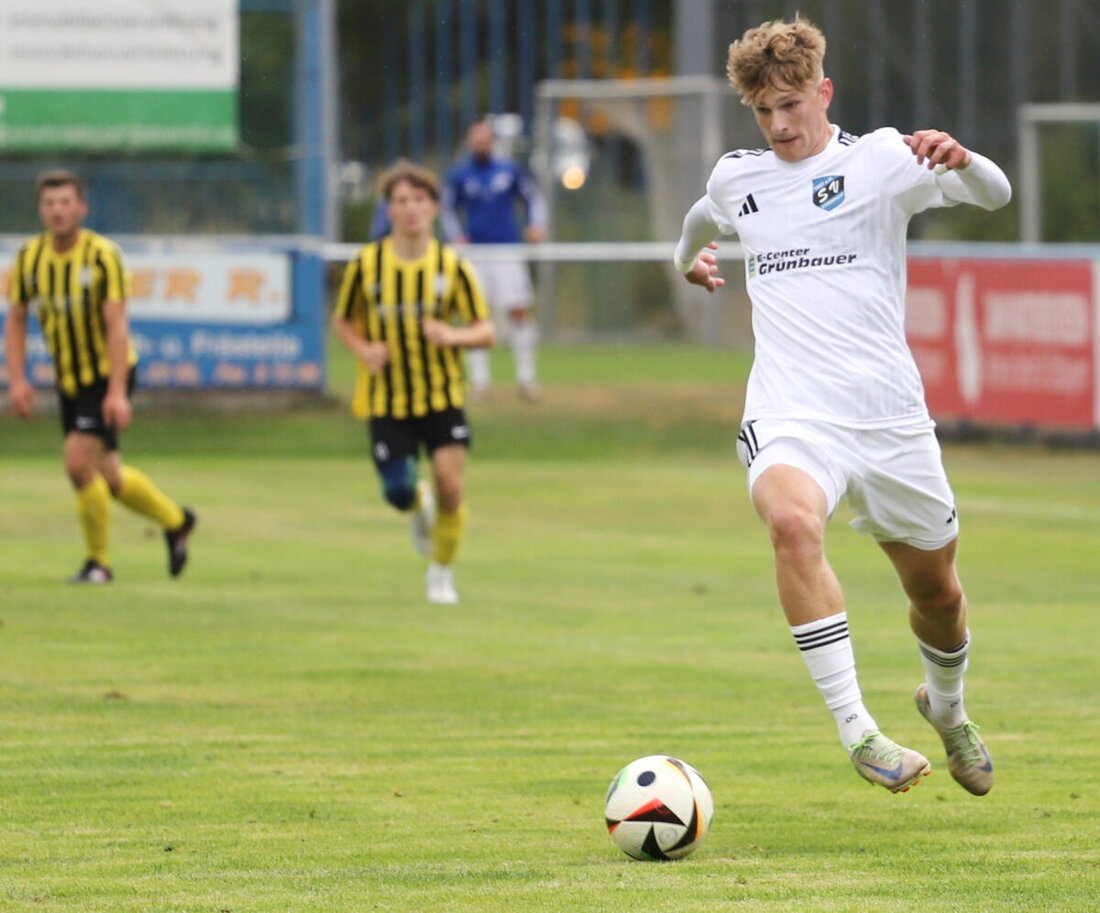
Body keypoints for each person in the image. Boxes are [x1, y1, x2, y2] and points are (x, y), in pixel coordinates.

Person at [673, 18, 1010, 795]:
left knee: (939, 594)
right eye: (763, 111)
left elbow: (997, 195)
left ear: (823, 91)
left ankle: (947, 707)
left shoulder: (884, 159)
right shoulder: (739, 176)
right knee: (792, 524)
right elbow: (699, 219)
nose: (780, 124)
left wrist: (965, 158)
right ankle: (858, 730)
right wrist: (688, 261)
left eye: (791, 103)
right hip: (793, 411)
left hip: (888, 416)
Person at [5, 170, 196, 583]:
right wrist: (17, 379)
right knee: (108, 477)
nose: (57, 211)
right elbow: (17, 319)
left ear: (81, 207)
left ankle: (99, 563)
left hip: (109, 373)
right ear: (42, 209)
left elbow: (117, 325)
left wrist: (116, 393)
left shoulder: (102, 256)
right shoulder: (30, 258)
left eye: (65, 202)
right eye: (50, 204)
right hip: (70, 379)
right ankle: (176, 520)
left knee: (77, 464)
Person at [332, 161, 494, 605]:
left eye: (419, 200)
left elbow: (485, 330)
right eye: (401, 201)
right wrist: (363, 349)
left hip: (441, 396)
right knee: (399, 492)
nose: (410, 210)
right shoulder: (366, 265)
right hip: (386, 399)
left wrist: (453, 334)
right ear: (388, 210)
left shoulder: (451, 266)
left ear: (434, 208)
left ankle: (441, 575)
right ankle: (416, 504)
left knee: (451, 486)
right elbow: (342, 321)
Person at [442, 118, 547, 403]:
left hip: (507, 250)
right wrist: (456, 237)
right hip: (476, 254)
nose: (481, 145)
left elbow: (533, 198)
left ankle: (527, 379)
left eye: (485, 139)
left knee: (518, 310)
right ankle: (480, 382)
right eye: (475, 140)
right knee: (476, 315)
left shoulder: (509, 169)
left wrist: (536, 225)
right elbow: (447, 210)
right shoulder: (460, 174)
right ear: (469, 143)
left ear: (492, 142)